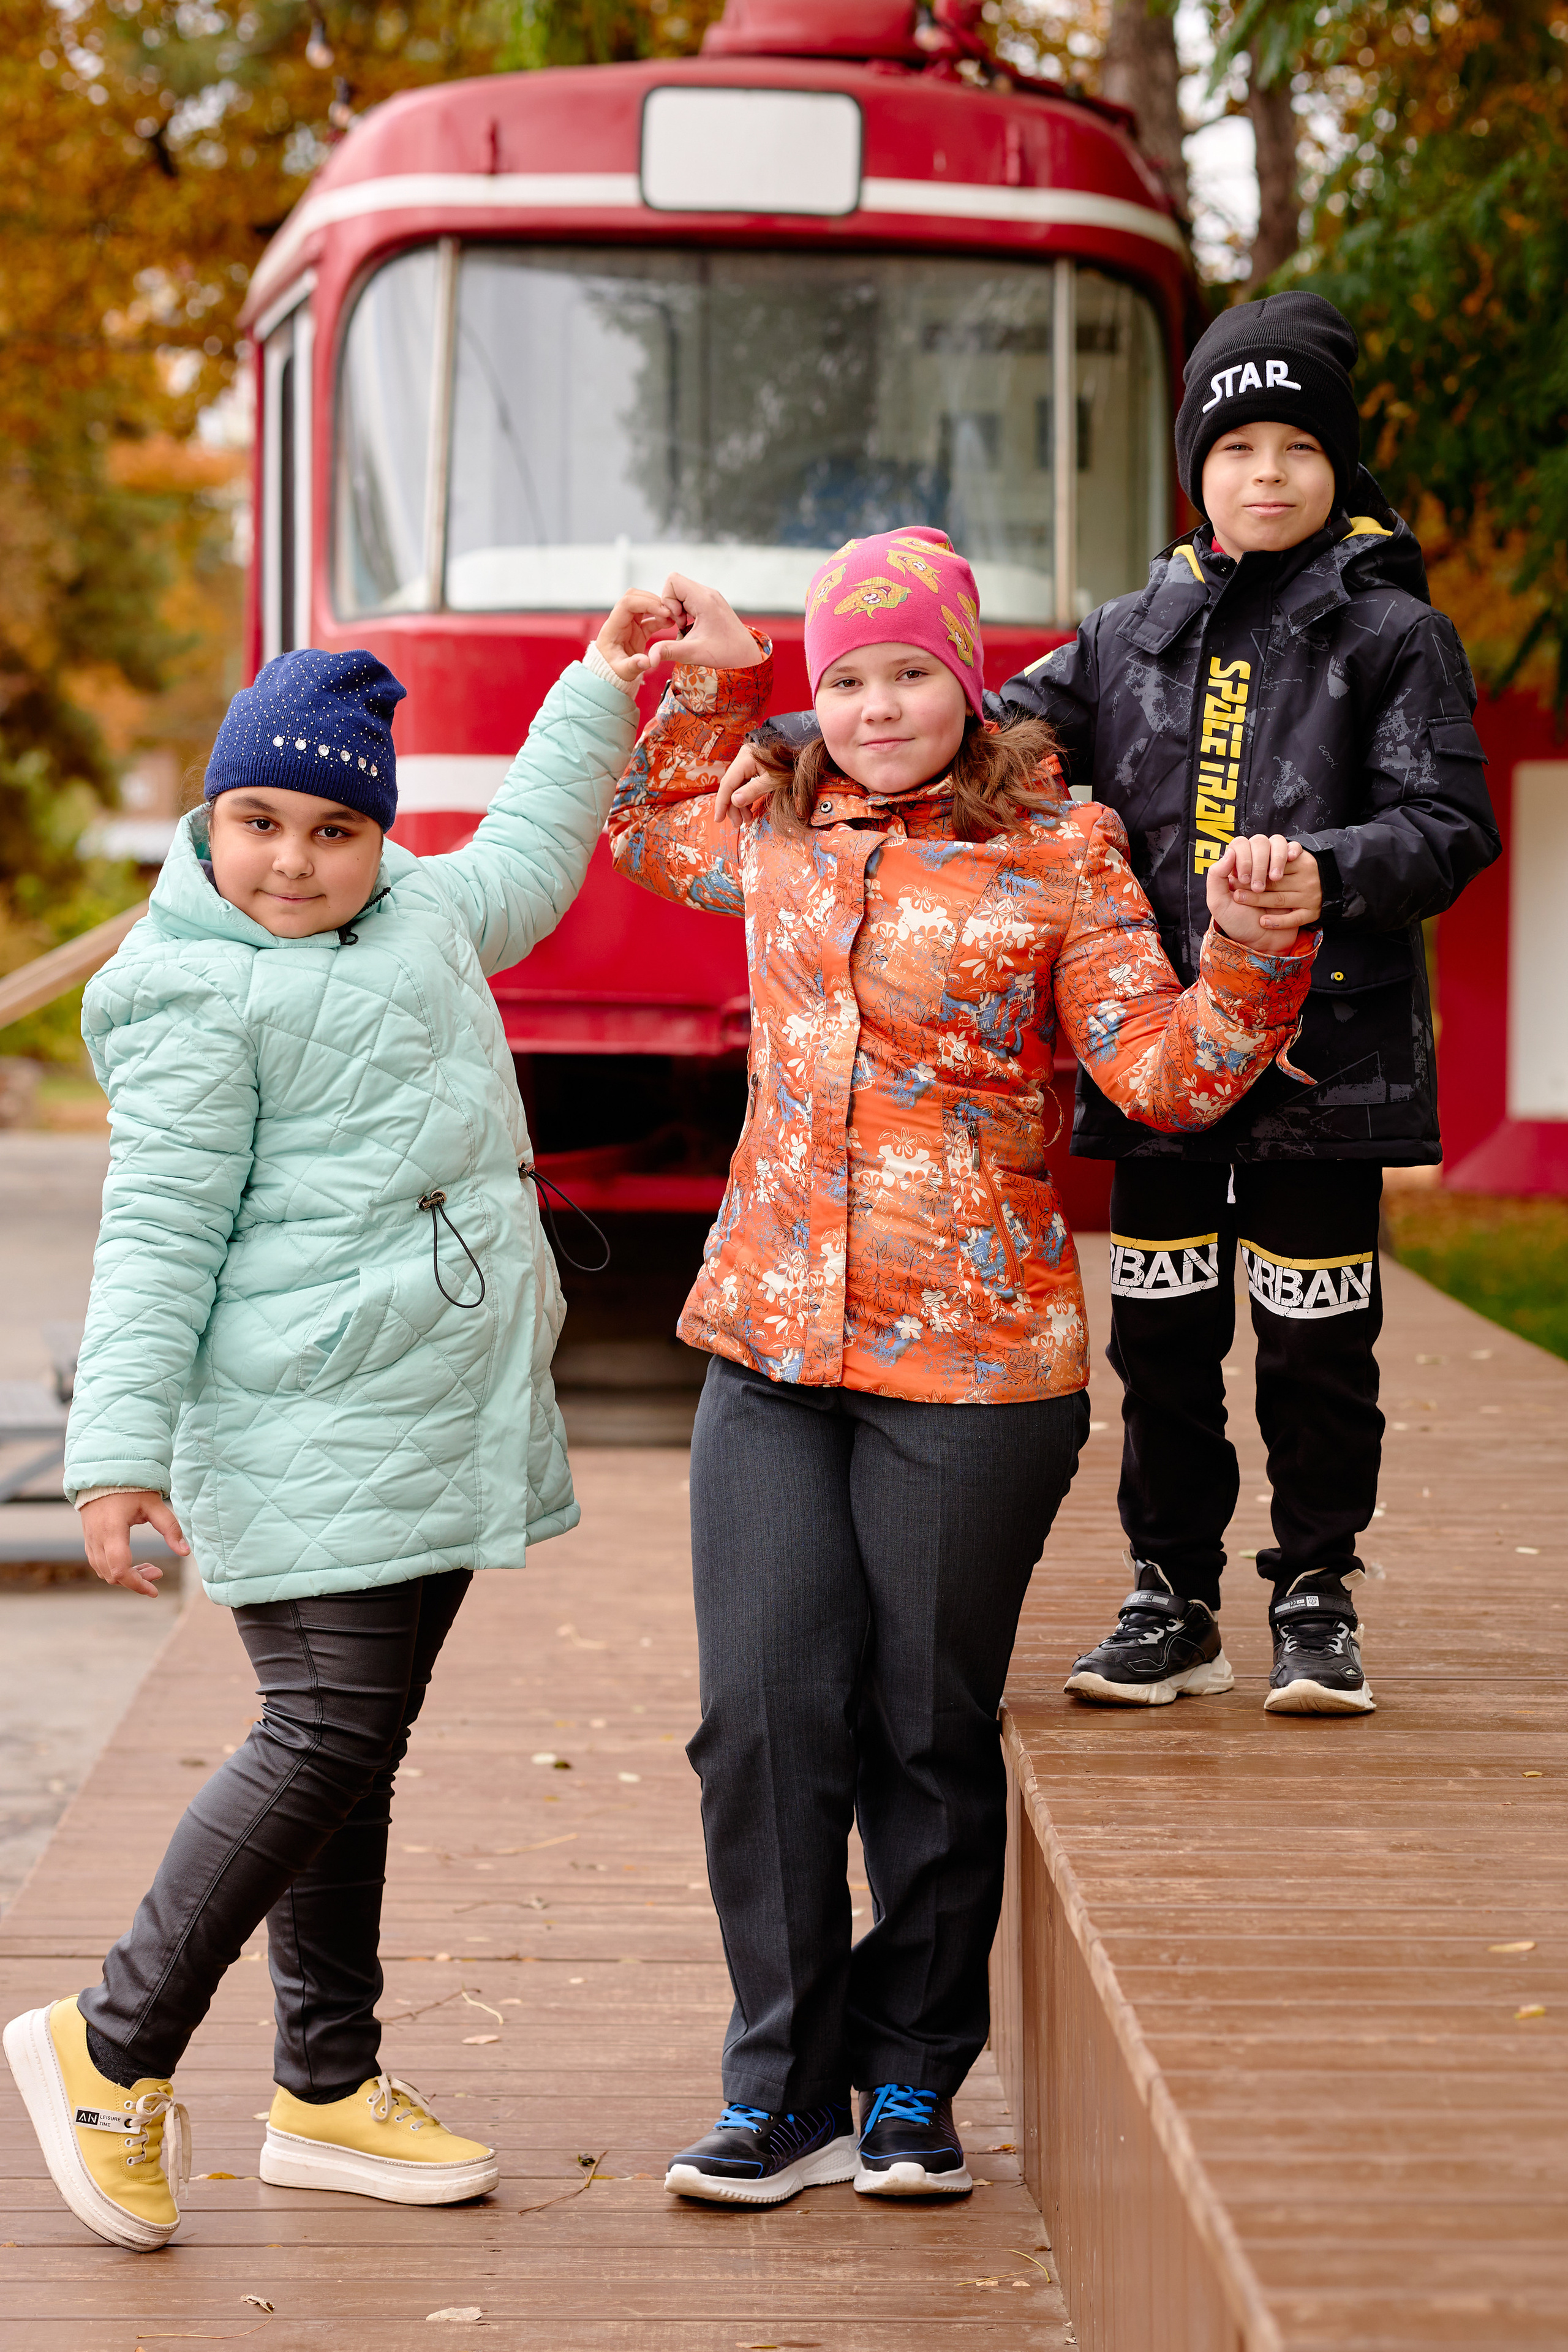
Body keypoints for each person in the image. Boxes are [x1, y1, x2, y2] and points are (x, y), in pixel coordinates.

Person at [597, 526, 1318, 2207]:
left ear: (967, 678)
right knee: (763, 1722)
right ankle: (779, 2091)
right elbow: (640, 825)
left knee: (924, 1726)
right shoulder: (771, 824)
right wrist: (720, 671)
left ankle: (912, 2083)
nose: (873, 706)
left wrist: (1260, 949)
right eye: (845, 677)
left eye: (907, 671)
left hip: (978, 1369)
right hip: (771, 1341)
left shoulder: (1066, 853)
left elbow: (1167, 1072)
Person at [723, 293, 1501, 1719]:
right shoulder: (1127, 634)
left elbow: (1446, 826)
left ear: (1337, 469)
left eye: (1294, 448)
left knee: (1316, 1343)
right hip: (1155, 1059)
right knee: (1163, 1335)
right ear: (1193, 470)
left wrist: (1314, 874)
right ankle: (1172, 1594)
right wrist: (792, 727)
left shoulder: (1391, 636)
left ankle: (1315, 1590)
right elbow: (985, 721)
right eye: (1234, 447)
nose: (1263, 474)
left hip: (1323, 1068)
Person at [2, 634, 645, 2252]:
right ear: (210, 819)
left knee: (351, 1753)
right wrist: (116, 1458)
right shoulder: (187, 990)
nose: (293, 862)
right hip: (304, 1413)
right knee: (323, 1738)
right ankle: (112, 2038)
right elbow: (153, 1240)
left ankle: (327, 2088)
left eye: (333, 832)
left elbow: (528, 858)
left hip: (429, 1410)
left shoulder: (419, 912)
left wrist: (602, 683)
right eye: (260, 822)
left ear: (377, 839)